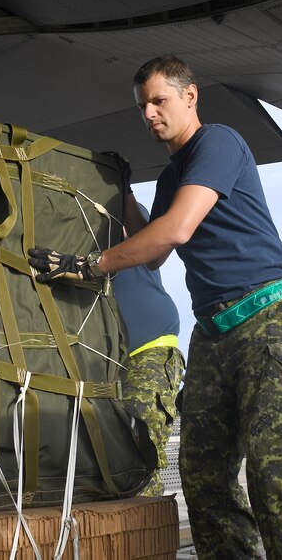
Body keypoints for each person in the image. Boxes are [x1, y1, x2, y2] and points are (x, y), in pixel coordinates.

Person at [29, 55, 282, 558]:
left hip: (266, 315)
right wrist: (124, 194)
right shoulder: (174, 178)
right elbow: (155, 259)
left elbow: (176, 230)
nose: (149, 114)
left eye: (159, 101)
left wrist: (91, 265)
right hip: (213, 330)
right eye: (142, 106)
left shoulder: (218, 142)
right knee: (204, 475)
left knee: (273, 468)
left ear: (189, 96)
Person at [112, 201, 185, 497]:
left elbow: (155, 244)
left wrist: (125, 194)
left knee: (139, 456)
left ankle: (147, 538)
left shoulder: (119, 210)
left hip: (149, 347)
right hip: (102, 355)